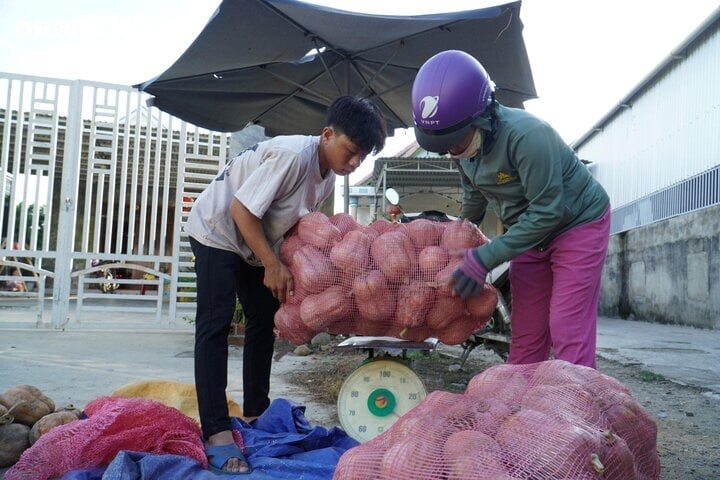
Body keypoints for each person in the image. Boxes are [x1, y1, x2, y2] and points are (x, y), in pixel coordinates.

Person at [184, 95, 386, 474]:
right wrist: (272, 264)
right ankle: (216, 432)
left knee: (264, 317)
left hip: (251, 242)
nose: (356, 162)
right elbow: (241, 209)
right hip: (217, 229)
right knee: (215, 324)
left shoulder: (326, 177)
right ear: (328, 134)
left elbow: (291, 225)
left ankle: (258, 412)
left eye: (364, 157)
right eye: (352, 151)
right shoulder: (294, 156)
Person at [411, 50, 611, 370]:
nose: (452, 152)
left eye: (456, 142)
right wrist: (455, 238)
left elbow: (548, 211)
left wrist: (485, 257)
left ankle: (576, 407)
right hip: (528, 231)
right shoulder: (463, 152)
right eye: (445, 146)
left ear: (481, 118)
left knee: (566, 325)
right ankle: (522, 405)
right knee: (527, 330)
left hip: (576, 224)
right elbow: (473, 197)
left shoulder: (528, 136)